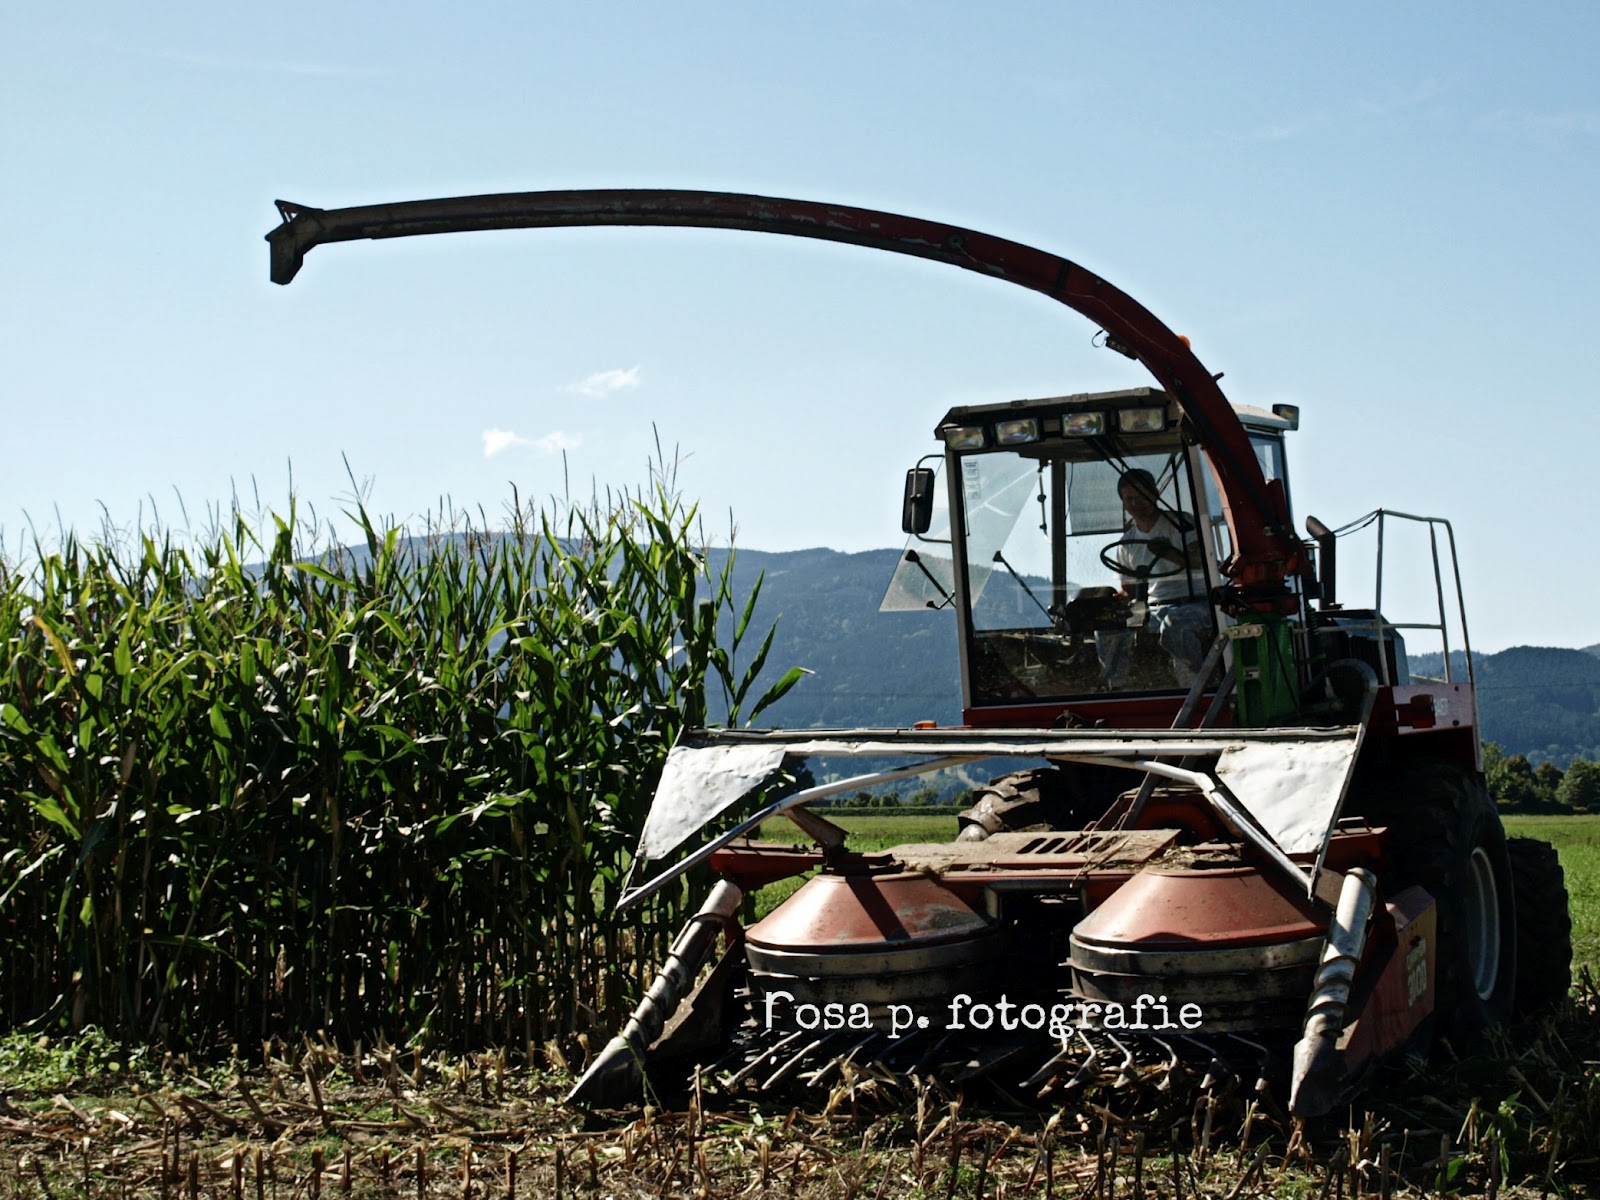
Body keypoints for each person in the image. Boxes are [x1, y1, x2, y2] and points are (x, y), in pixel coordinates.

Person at [1097, 468, 1213, 688]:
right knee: (1106, 627)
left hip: (1198, 602)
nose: (1135, 503)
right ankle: (1119, 690)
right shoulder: (1126, 542)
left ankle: (1195, 688)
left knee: (1175, 624)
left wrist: (1170, 553)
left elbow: (1201, 560)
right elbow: (1129, 589)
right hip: (1154, 609)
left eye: (1141, 496)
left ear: (1155, 494)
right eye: (1129, 499)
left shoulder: (1183, 524)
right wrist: (1114, 600)